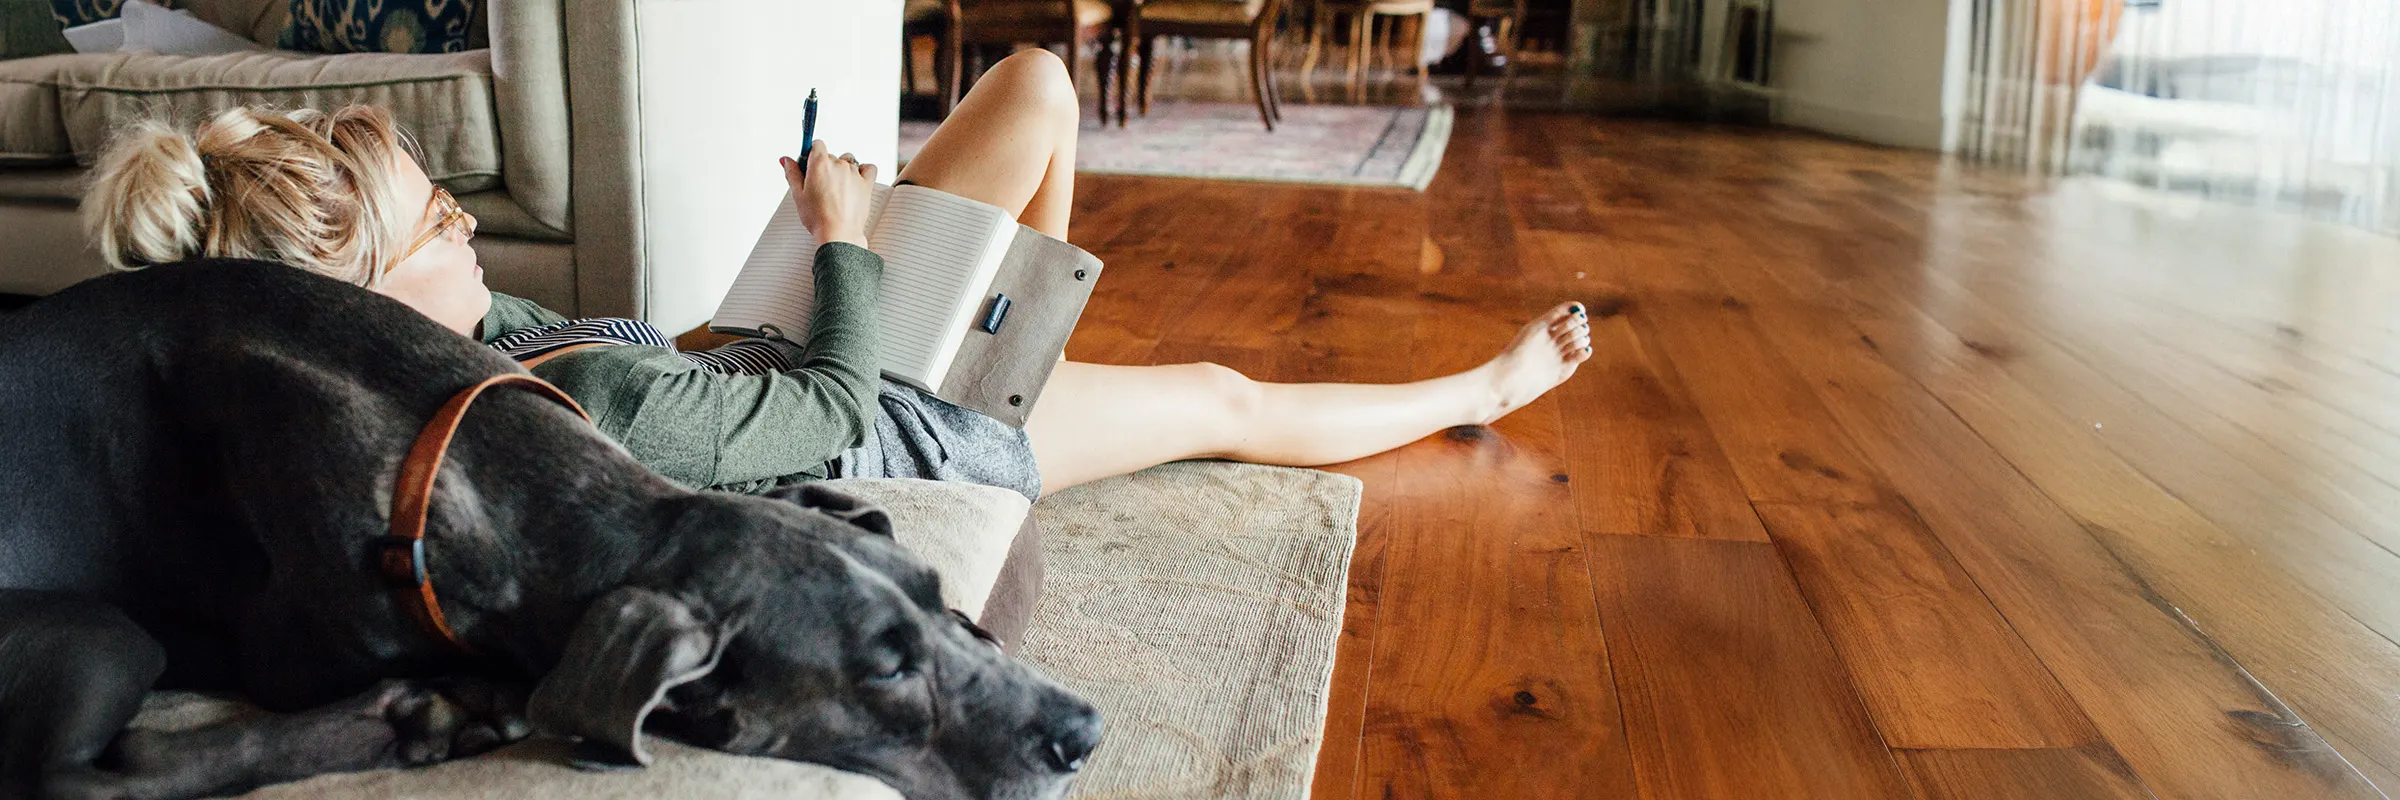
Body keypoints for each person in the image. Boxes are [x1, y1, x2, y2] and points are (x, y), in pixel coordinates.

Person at [81, 49, 1592, 502]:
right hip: (901, 420)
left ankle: (1038, 314)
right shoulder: (574, 410)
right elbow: (826, 412)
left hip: (768, 350)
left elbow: (663, 356)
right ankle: (1489, 382)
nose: (473, 226)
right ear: (359, 306)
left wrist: (784, 264)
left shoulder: (492, 353)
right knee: (1219, 397)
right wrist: (850, 250)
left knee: (1036, 88)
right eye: (441, 230)